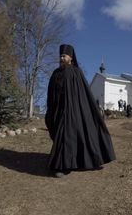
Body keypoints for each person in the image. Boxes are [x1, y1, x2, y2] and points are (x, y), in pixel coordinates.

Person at [45, 44, 116, 178]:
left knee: (67, 136)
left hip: (73, 110)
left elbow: (85, 93)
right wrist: (51, 108)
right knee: (64, 136)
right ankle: (68, 161)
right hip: (59, 110)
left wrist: (87, 110)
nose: (61, 58)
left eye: (64, 56)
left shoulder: (76, 72)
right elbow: (51, 92)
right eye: (60, 56)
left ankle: (63, 166)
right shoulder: (56, 73)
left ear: (70, 58)